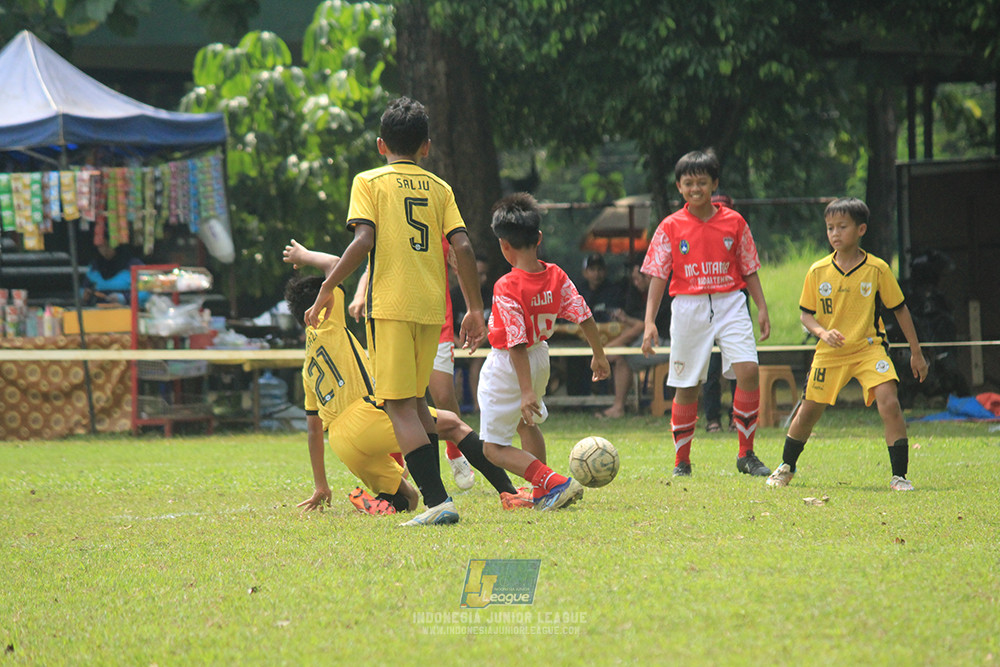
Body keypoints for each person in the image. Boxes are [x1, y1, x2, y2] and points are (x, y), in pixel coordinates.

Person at [303, 97, 486, 526]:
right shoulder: (440, 188)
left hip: (389, 305)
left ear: (381, 144)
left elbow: (363, 240)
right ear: (426, 146)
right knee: (417, 408)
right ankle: (452, 493)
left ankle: (438, 503)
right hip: (430, 308)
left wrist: (327, 286)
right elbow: (461, 245)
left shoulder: (369, 181)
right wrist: (475, 308)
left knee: (399, 407)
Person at [283, 245, 530, 515]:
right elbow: (333, 262)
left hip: (341, 441)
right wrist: (303, 256)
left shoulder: (308, 363)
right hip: (364, 416)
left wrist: (321, 485)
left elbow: (313, 430)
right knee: (455, 425)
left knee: (409, 497)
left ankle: (382, 502)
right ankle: (511, 493)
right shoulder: (328, 322)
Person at [766, 198, 928, 491]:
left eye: (842, 226)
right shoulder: (817, 271)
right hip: (830, 353)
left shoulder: (877, 269)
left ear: (861, 229)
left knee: (889, 402)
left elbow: (900, 309)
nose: (835, 233)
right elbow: (806, 314)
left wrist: (916, 352)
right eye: (830, 228)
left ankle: (899, 477)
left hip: (869, 349)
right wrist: (822, 333)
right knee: (808, 411)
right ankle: (786, 467)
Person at [640, 149, 771, 477]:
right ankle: (681, 462)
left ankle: (746, 453)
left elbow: (750, 267)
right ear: (678, 187)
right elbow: (658, 274)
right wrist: (649, 322)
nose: (695, 188)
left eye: (702, 182)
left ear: (714, 184)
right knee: (686, 384)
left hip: (731, 301)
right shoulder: (670, 226)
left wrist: (762, 308)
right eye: (688, 183)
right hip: (688, 306)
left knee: (749, 370)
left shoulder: (734, 221)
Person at [478, 192, 611, 510]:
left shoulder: (507, 286)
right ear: (538, 237)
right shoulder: (556, 275)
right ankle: (541, 493)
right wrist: (599, 354)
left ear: (504, 245)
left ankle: (553, 482)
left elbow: (516, 343)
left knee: (493, 449)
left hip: (511, 364)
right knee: (528, 424)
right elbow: (584, 315)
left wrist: (525, 391)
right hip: (541, 356)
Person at [347, 242, 478, 491]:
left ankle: (454, 453)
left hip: (437, 320)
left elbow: (461, 261)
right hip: (397, 321)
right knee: (396, 398)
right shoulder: (391, 222)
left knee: (443, 394)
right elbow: (371, 265)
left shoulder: (439, 226)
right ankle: (399, 467)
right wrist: (358, 296)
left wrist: (473, 308)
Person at [598, 258, 670, 418]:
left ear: (649, 277)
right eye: (634, 279)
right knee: (622, 352)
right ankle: (618, 405)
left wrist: (609, 348)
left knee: (623, 357)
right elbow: (637, 323)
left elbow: (641, 325)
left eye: (638, 279)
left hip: (667, 342)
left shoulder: (662, 294)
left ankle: (618, 407)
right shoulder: (637, 294)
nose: (635, 283)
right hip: (653, 340)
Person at [569, 252, 625, 397]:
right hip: (577, 341)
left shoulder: (613, 291)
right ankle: (576, 399)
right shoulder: (577, 291)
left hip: (608, 342)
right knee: (572, 359)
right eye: (592, 270)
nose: (596, 274)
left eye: (599, 269)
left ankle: (605, 397)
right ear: (585, 272)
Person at [81, 241, 146, 306]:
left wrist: (125, 298)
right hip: (98, 311)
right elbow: (84, 288)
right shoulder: (94, 266)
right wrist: (84, 294)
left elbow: (148, 289)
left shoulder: (135, 264)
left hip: (128, 311)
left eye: (108, 245)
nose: (105, 250)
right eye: (101, 246)